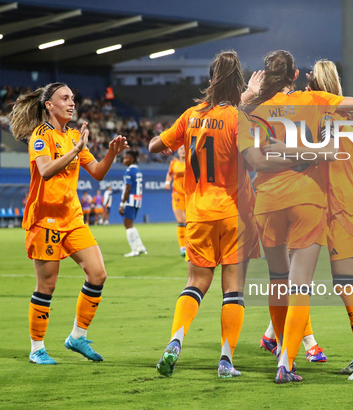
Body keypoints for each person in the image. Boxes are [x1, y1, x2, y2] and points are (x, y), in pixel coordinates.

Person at [241, 50, 353, 383]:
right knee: (321, 283)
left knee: (280, 281)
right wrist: (312, 152)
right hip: (314, 201)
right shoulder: (318, 103)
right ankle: (291, 359)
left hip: (272, 201)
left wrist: (248, 97)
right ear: (296, 75)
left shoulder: (254, 109)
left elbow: (254, 160)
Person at [149, 50, 261, 379]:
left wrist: (161, 138)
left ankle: (174, 342)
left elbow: (157, 145)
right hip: (233, 214)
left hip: (198, 213)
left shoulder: (191, 116)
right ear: (238, 83)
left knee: (196, 283)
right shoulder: (237, 118)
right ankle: (225, 360)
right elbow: (253, 161)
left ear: (211, 80)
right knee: (233, 290)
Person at [8, 82, 128, 365]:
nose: (71, 103)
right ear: (49, 105)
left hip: (72, 218)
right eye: (65, 98)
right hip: (45, 220)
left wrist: (111, 152)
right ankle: (37, 348)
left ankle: (77, 336)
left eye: (73, 98)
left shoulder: (74, 135)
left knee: (97, 274)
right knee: (46, 286)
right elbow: (46, 170)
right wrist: (75, 151)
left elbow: (97, 172)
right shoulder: (41, 136)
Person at [305, 59, 353, 379]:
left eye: (309, 79)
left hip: (345, 207)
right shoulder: (346, 116)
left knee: (345, 283)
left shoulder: (319, 115)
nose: (304, 84)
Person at [120, 150, 147, 257]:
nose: (124, 160)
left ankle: (134, 250)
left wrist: (122, 203)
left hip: (130, 201)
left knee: (128, 225)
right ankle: (140, 247)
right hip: (137, 200)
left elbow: (128, 188)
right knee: (130, 224)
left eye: (126, 158)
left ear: (131, 159)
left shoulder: (129, 171)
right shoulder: (138, 170)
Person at [165, 146, 187, 256]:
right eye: (181, 149)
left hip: (190, 195)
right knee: (181, 220)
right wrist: (167, 182)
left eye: (184, 149)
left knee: (190, 221)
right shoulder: (174, 163)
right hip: (178, 195)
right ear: (178, 151)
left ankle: (190, 245)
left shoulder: (191, 162)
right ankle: (183, 247)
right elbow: (169, 174)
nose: (183, 151)